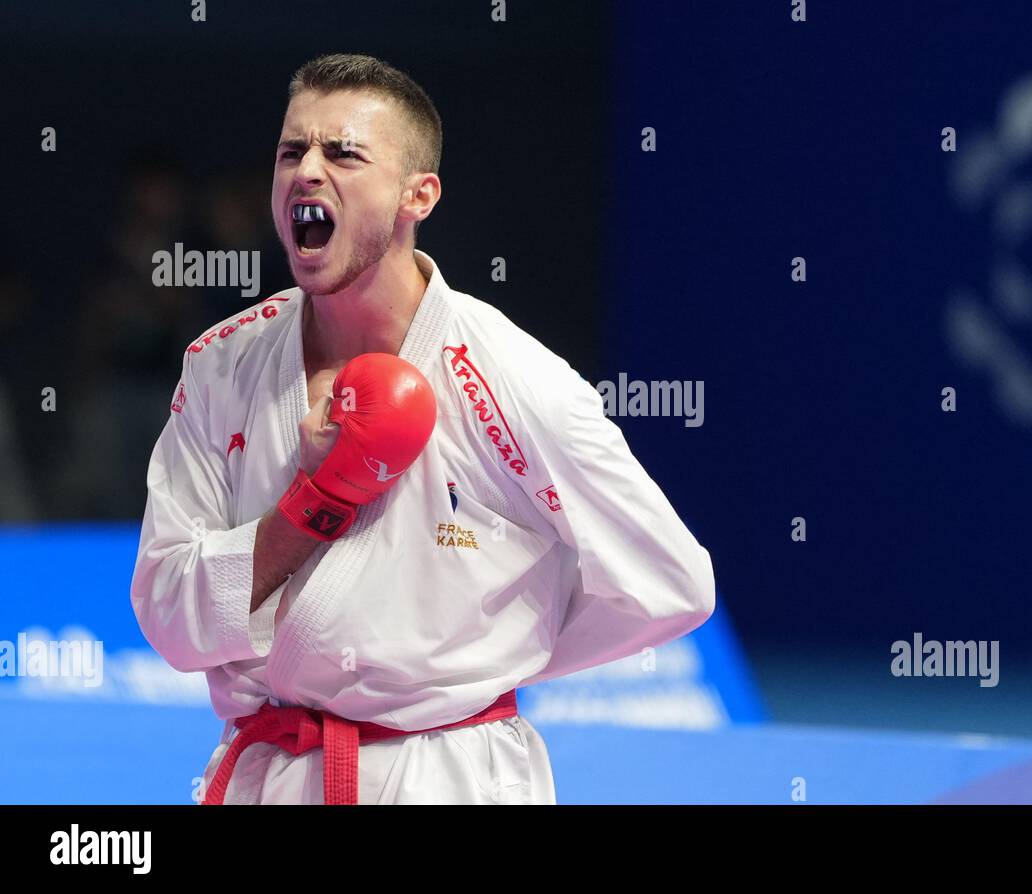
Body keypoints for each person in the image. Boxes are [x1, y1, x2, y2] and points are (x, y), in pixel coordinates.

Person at [129, 53, 715, 804]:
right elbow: (168, 619)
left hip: (446, 777)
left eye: (342, 153)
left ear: (419, 194)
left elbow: (674, 583)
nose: (307, 170)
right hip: (263, 773)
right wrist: (316, 503)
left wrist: (478, 661)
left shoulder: (512, 378)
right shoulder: (221, 367)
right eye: (290, 151)